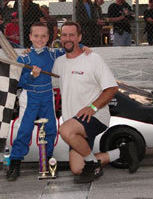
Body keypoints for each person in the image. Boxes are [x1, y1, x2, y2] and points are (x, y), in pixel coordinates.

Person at [52, 21, 140, 184]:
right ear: (60, 38)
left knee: (65, 129)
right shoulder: (59, 63)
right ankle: (122, 152)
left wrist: (93, 107)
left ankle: (92, 164)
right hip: (75, 122)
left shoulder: (92, 59)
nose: (67, 38)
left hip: (95, 116)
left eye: (72, 35)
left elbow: (111, 88)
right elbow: (49, 85)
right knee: (77, 169)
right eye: (64, 35)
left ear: (79, 37)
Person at [6, 22, 91, 182]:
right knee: (24, 130)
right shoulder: (23, 57)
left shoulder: (53, 54)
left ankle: (47, 162)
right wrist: (31, 75)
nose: (40, 39)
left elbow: (69, 48)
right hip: (29, 97)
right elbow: (17, 82)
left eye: (43, 36)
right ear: (30, 37)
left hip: (47, 96)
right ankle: (14, 163)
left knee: (50, 130)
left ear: (49, 37)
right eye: (36, 36)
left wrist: (84, 47)